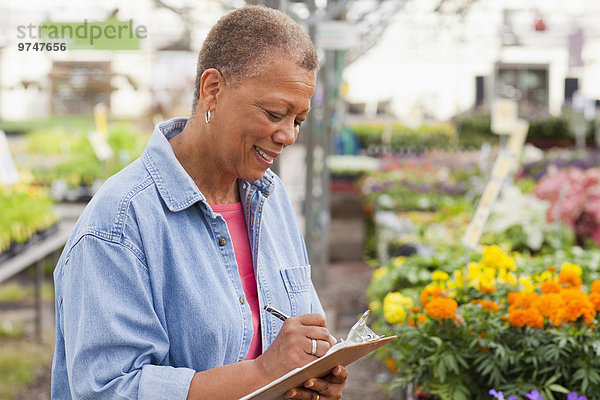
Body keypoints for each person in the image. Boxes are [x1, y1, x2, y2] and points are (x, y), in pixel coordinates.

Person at [51, 5, 348, 400]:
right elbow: (110, 389)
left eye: (298, 120)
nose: (288, 135)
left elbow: (295, 343)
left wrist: (312, 377)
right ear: (213, 90)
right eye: (275, 113)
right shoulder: (119, 225)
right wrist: (262, 373)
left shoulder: (270, 199)